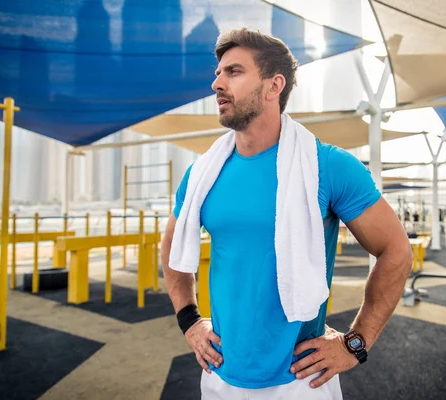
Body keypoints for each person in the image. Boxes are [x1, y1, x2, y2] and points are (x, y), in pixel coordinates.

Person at [161, 28, 412, 400]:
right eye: (218, 73)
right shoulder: (202, 174)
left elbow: (396, 249)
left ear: (273, 85)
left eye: (233, 72)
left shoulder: (327, 166)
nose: (216, 83)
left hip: (302, 379)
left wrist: (356, 342)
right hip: (220, 373)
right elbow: (171, 246)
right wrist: (189, 321)